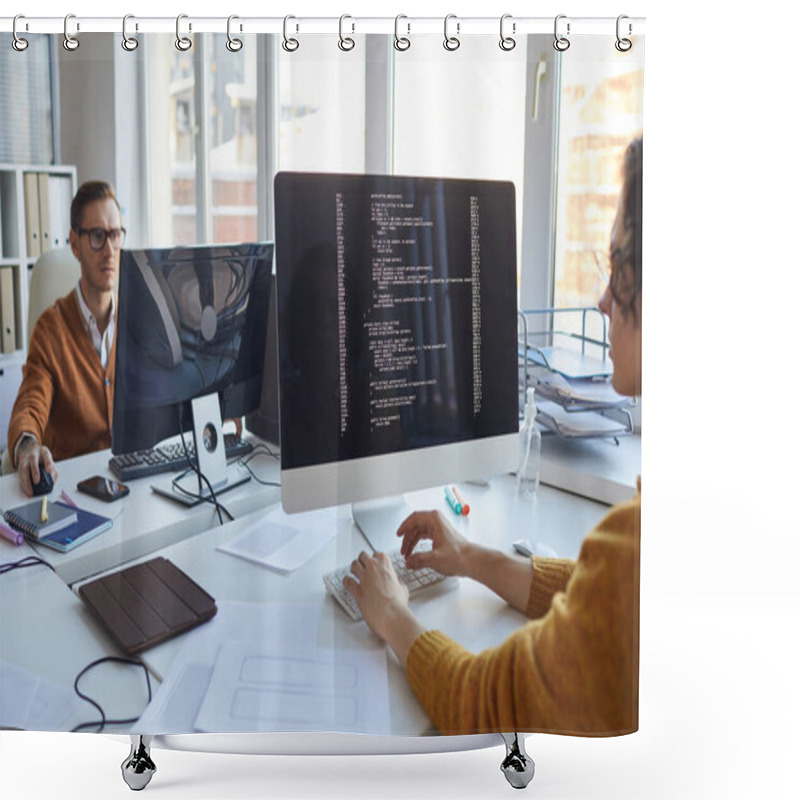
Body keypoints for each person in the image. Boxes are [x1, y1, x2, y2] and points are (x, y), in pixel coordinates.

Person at [343, 137, 643, 736]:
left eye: (619, 267)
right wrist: (472, 558)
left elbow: (481, 702)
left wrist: (393, 616)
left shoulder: (634, 543)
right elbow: (599, 600)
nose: (602, 298)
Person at [7, 180, 125, 496]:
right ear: (75, 244)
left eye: (115, 235)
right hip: (73, 495)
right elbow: (29, 407)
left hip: (131, 489)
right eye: (98, 236)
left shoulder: (137, 323)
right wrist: (28, 446)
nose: (110, 250)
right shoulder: (51, 329)